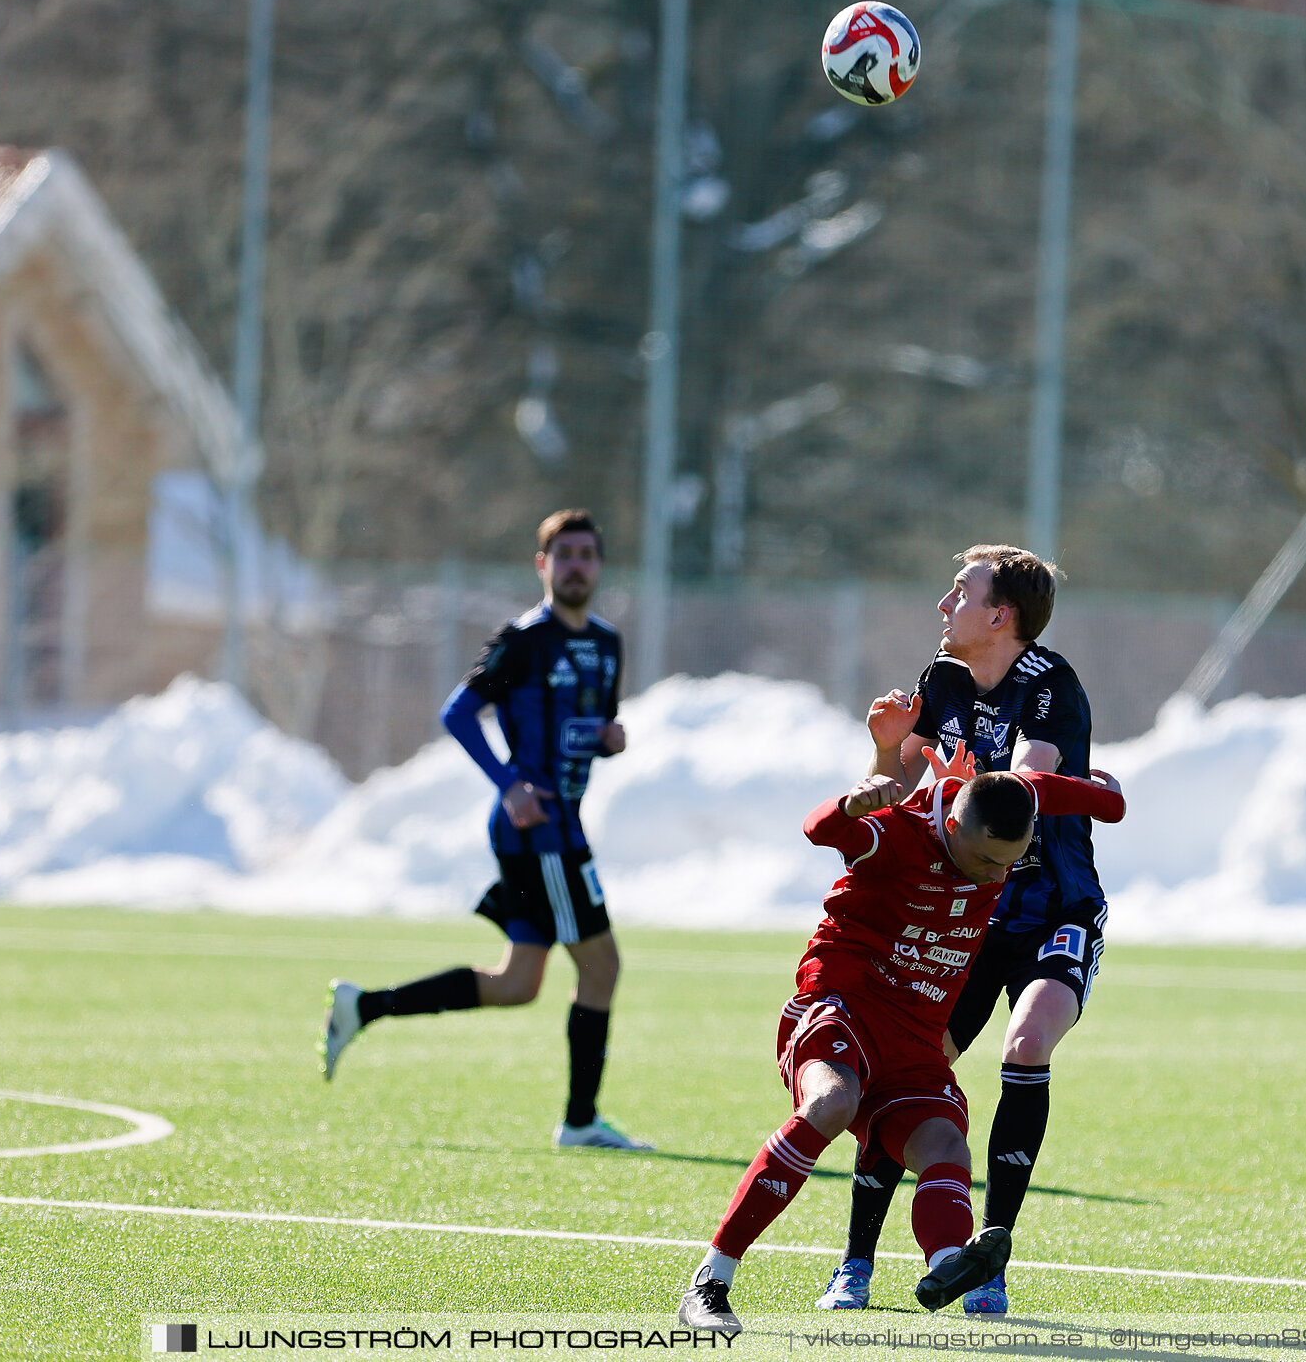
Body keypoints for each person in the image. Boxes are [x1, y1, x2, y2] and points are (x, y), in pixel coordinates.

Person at [677, 760, 1124, 1333]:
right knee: (831, 1104)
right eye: (988, 860)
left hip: (914, 1041)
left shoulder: (1010, 801)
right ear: (955, 826)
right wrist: (851, 805)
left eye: (1011, 862)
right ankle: (711, 1281)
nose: (996, 876)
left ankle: (948, 1266)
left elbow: (1100, 805)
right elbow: (820, 829)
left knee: (945, 1145)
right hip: (843, 1007)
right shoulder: (896, 834)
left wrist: (1102, 793)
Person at [815, 544, 1107, 1317]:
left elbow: (1008, 796)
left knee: (1027, 1042)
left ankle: (992, 1254)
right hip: (969, 912)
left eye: (960, 593)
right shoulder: (940, 679)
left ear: (1000, 615)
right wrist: (886, 748)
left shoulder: (1051, 687)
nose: (944, 605)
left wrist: (1072, 791)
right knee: (909, 1073)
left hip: (1055, 906)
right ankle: (855, 1262)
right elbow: (901, 793)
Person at [320, 509, 651, 1151]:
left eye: (587, 553)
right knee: (602, 967)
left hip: (562, 824)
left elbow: (590, 727)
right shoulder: (524, 639)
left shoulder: (607, 643)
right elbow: (459, 712)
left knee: (517, 983)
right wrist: (510, 783)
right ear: (542, 565)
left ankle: (361, 1007)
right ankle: (580, 1122)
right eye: (565, 554)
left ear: (599, 566)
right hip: (539, 830)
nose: (577, 564)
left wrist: (609, 740)